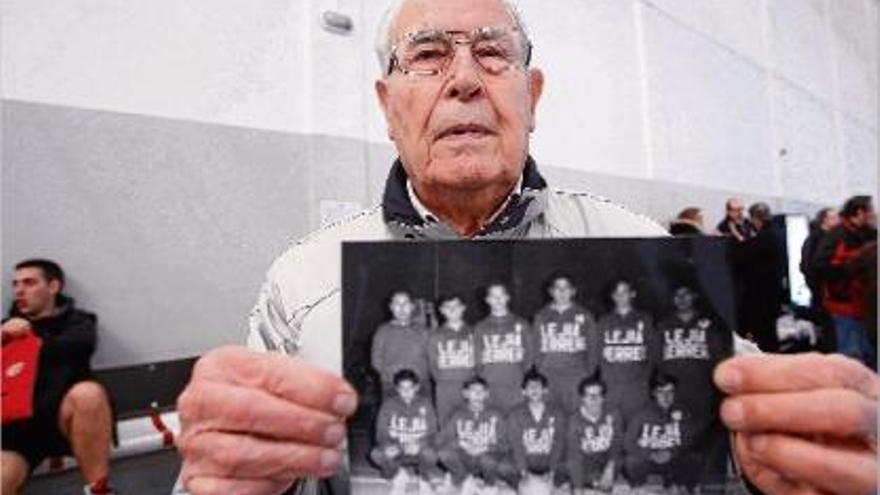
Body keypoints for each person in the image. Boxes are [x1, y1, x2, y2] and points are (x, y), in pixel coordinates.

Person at [175, 1, 880, 494]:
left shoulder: (645, 251)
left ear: (531, 97)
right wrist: (229, 478)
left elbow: (735, 440)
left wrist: (794, 457)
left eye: (492, 53)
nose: (464, 79)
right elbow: (253, 472)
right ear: (389, 106)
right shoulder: (303, 283)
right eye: (427, 56)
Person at [2, 259, 114, 495]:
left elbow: (76, 348)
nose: (19, 291)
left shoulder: (78, 322)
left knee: (88, 394)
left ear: (53, 287)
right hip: (17, 432)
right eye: (15, 284)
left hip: (64, 420)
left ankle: (99, 490)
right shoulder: (5, 329)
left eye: (29, 283)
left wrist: (29, 335)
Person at [812, 195, 878, 368]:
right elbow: (819, 266)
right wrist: (850, 267)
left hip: (868, 307)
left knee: (869, 355)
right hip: (844, 306)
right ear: (859, 212)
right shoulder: (836, 235)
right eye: (870, 210)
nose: (874, 214)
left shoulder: (871, 234)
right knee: (852, 357)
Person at [436, 376, 515, 494]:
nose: (477, 394)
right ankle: (464, 478)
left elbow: (506, 443)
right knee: (444, 452)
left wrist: (486, 447)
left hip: (486, 458)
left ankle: (490, 485)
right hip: (466, 457)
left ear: (487, 394)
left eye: (481, 391)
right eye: (473, 391)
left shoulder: (496, 414)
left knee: (489, 460)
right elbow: (442, 438)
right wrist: (460, 443)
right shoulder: (458, 414)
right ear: (465, 394)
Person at [532, 275, 598, 412]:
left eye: (566, 288)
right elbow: (535, 348)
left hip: (576, 377)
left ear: (573, 291)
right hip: (550, 376)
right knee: (551, 415)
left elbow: (593, 349)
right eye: (557, 288)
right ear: (551, 292)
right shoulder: (541, 316)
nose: (562, 292)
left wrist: (586, 374)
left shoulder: (585, 315)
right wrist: (542, 371)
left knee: (575, 414)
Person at [370, 369, 441, 495]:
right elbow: (381, 433)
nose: (406, 392)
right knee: (376, 454)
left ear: (417, 387)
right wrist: (389, 446)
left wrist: (420, 445)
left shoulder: (425, 404)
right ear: (397, 389)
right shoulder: (388, 405)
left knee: (432, 454)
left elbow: (433, 433)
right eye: (402, 388)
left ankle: (424, 480)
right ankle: (399, 476)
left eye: (410, 388)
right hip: (398, 449)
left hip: (418, 450)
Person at [596, 279, 657, 418]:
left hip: (637, 386)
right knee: (612, 423)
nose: (621, 296)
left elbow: (653, 352)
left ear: (632, 294)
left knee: (638, 423)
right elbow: (598, 353)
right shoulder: (604, 321)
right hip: (612, 385)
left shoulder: (644, 319)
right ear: (612, 296)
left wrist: (644, 377)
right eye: (617, 292)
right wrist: (607, 378)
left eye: (625, 292)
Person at [622, 372, 693, 491]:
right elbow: (627, 443)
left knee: (693, 458)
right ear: (653, 393)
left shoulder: (682, 412)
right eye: (661, 392)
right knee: (630, 461)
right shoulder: (641, 413)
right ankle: (638, 487)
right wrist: (650, 454)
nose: (666, 396)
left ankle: (677, 485)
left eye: (670, 392)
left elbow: (689, 440)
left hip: (672, 459)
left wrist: (671, 453)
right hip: (649, 459)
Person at [474, 283, 534, 411]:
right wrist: (485, 375)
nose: (498, 300)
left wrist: (520, 373)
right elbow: (476, 358)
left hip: (515, 384)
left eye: (501, 296)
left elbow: (530, 354)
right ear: (487, 300)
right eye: (493, 296)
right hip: (490, 385)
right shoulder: (480, 327)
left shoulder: (521, 324)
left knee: (515, 423)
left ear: (507, 297)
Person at [504, 369, 567, 492]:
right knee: (504, 467)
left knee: (570, 465)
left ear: (545, 390)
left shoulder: (557, 413)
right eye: (530, 387)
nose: (534, 390)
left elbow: (559, 443)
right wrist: (523, 471)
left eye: (537, 386)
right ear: (523, 392)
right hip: (527, 462)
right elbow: (516, 445)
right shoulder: (515, 414)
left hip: (548, 461)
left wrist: (552, 470)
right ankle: (521, 485)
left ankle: (555, 483)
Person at [566, 372, 623, 495]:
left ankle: (599, 483)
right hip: (585, 463)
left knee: (619, 462)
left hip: (606, 460)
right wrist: (578, 488)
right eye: (590, 395)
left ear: (603, 397)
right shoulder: (574, 420)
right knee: (573, 470)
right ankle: (591, 483)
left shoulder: (613, 414)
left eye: (598, 395)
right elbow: (574, 457)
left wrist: (610, 467)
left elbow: (617, 444)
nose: (594, 400)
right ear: (582, 398)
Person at [427, 295, 477, 422]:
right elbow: (432, 364)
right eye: (448, 307)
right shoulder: (436, 336)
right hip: (445, 388)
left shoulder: (474, 332)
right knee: (445, 422)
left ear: (463, 308)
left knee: (470, 421)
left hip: (469, 386)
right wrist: (444, 380)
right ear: (442, 310)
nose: (452, 310)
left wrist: (472, 381)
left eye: (456, 306)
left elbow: (480, 361)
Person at [371, 291, 430, 396]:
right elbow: (376, 361)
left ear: (412, 307)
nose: (402, 308)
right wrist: (393, 379)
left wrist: (419, 379)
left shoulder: (424, 332)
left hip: (420, 386)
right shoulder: (382, 331)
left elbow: (431, 358)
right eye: (397, 304)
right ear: (391, 307)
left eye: (405, 304)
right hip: (392, 387)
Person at [800, 207, 840, 308]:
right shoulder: (815, 239)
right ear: (825, 220)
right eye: (834, 218)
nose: (838, 220)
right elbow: (807, 264)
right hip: (820, 286)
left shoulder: (833, 238)